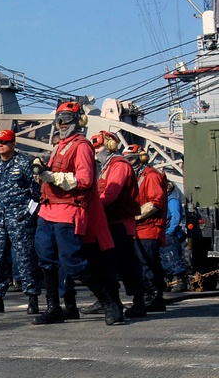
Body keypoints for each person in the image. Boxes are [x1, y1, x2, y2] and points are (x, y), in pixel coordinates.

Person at [31, 102, 123, 325]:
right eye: (59, 118)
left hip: (67, 211)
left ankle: (109, 303)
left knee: (72, 262)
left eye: (67, 118)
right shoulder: (60, 146)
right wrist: (42, 172)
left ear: (78, 120)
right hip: (48, 210)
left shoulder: (81, 146)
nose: (62, 123)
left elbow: (84, 180)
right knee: (46, 260)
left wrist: (52, 177)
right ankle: (54, 308)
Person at [80, 131, 145, 318]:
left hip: (119, 223)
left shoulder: (119, 165)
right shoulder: (105, 167)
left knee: (126, 263)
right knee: (105, 264)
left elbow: (111, 194)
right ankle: (106, 299)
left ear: (109, 146)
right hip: (107, 221)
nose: (95, 151)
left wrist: (89, 207)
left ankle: (139, 301)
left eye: (98, 147)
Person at [0, 130, 42, 315]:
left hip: (20, 221)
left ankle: (32, 297)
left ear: (13, 144)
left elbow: (37, 193)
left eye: (4, 142)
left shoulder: (25, 164)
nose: (0, 145)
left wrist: (28, 215)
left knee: (25, 258)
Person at [124, 144, 168, 313]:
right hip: (139, 229)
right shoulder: (137, 177)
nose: (129, 164)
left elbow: (155, 203)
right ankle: (152, 298)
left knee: (146, 264)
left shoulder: (150, 176)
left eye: (132, 159)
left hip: (148, 228)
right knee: (147, 263)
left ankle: (150, 297)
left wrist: (133, 216)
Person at [161, 181, 189, 292]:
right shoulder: (166, 199)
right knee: (165, 259)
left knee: (173, 258)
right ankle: (169, 281)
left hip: (170, 233)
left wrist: (170, 231)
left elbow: (176, 217)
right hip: (165, 232)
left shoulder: (172, 200)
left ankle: (180, 281)